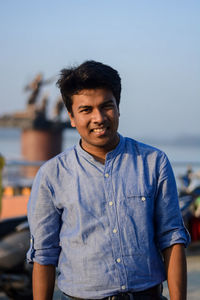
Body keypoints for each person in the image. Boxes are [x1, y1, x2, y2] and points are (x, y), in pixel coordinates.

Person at [27, 60, 190, 300]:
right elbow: (44, 255)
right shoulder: (52, 175)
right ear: (71, 117)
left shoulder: (153, 163)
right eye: (86, 110)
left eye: (107, 106)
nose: (99, 118)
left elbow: (172, 238)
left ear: (118, 107)